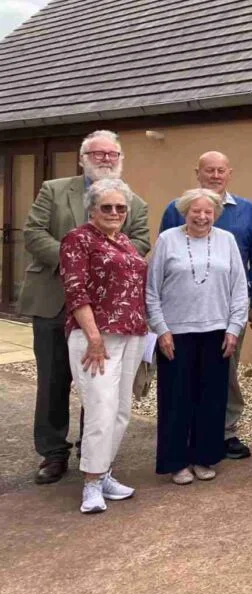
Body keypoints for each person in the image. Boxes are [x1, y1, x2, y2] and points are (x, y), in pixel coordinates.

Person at [21, 129, 149, 485]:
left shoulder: (132, 201)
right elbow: (34, 234)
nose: (105, 159)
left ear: (120, 159)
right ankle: (53, 452)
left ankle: (92, 455)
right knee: (53, 379)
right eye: (98, 153)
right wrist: (74, 261)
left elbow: (140, 241)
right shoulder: (54, 189)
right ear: (83, 158)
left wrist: (94, 264)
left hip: (108, 311)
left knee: (101, 386)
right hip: (54, 301)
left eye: (112, 154)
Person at [159, 151, 252, 461]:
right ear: (198, 173)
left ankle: (226, 430)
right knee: (189, 373)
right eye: (209, 170)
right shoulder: (175, 210)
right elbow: (163, 262)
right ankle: (192, 431)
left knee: (225, 369)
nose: (215, 176)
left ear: (229, 173)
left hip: (229, 307)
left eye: (221, 171)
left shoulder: (247, 210)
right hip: (182, 314)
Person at [148, 188, 248, 485]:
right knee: (176, 399)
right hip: (176, 333)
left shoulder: (227, 241)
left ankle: (205, 456)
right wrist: (161, 329)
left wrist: (234, 328)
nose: (202, 216)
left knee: (212, 398)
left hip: (217, 331)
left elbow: (239, 289)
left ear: (215, 214)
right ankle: (176, 461)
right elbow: (152, 291)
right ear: (185, 212)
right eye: (196, 211)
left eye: (208, 212)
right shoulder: (168, 240)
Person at [59, 179, 148, 513]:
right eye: (106, 207)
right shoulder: (77, 239)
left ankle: (105, 471)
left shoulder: (124, 241)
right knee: (100, 407)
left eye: (120, 208)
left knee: (122, 409)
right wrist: (94, 338)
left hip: (132, 334)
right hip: (96, 337)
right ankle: (91, 484)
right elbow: (75, 289)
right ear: (92, 209)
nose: (114, 213)